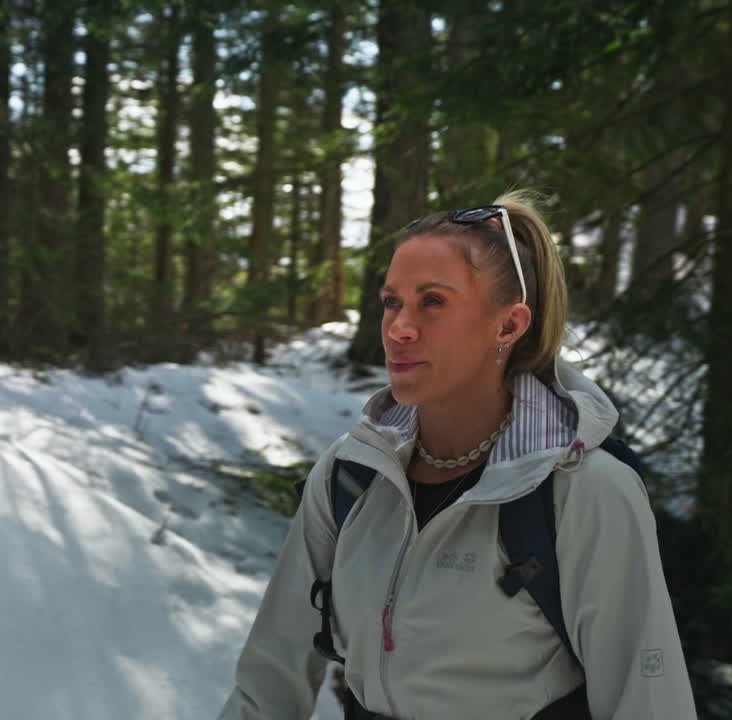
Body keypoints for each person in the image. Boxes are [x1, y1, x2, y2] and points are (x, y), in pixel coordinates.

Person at [217, 191, 696, 719]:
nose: (398, 328)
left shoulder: (585, 491)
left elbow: (650, 704)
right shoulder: (351, 476)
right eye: (392, 302)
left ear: (509, 326)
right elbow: (267, 684)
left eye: (433, 301)